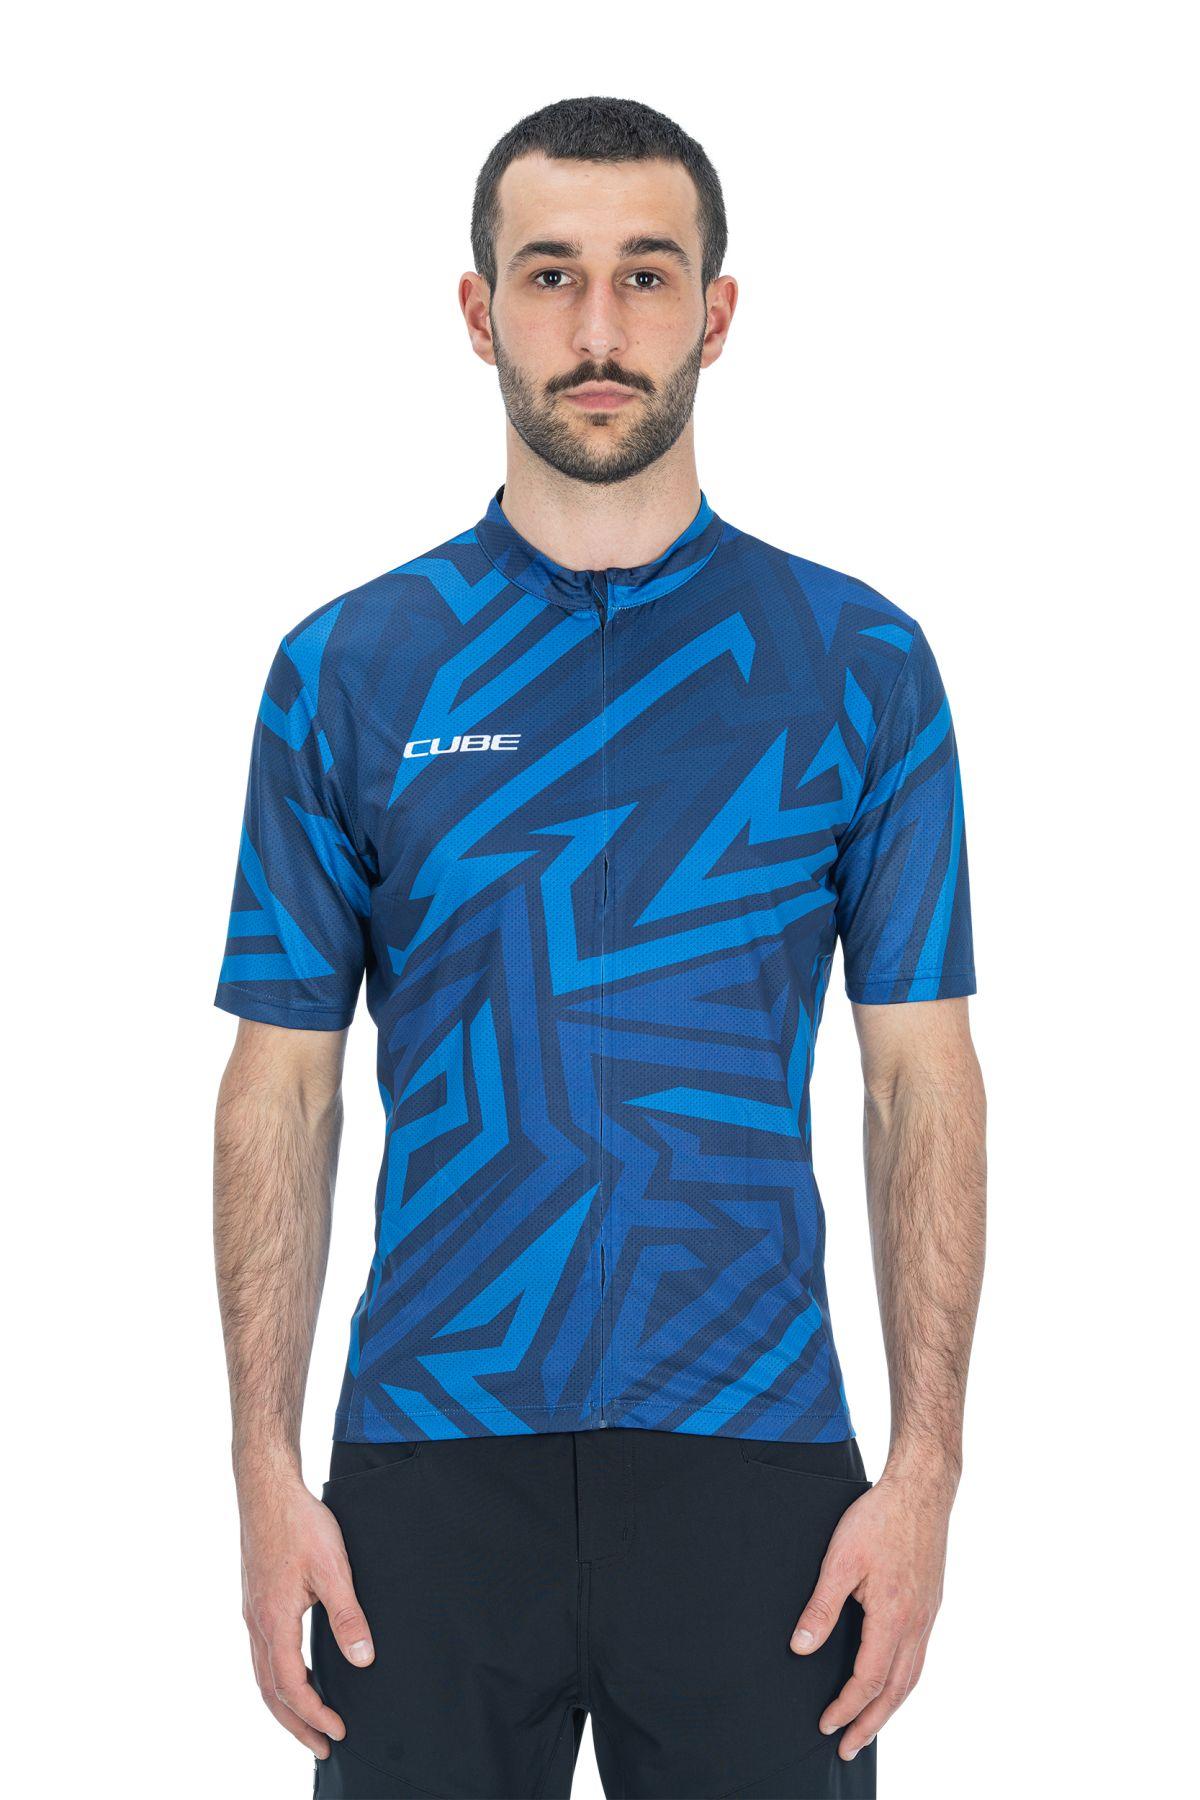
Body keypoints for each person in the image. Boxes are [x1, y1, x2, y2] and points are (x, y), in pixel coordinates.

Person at [213, 95, 986, 1800]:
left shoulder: (856, 666)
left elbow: (920, 1083)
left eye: (646, 274)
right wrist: (264, 1471)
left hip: (757, 1458)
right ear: (479, 310)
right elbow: (282, 1090)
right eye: (550, 274)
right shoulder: (351, 670)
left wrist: (927, 1472)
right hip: (428, 1462)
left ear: (717, 312)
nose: (598, 327)